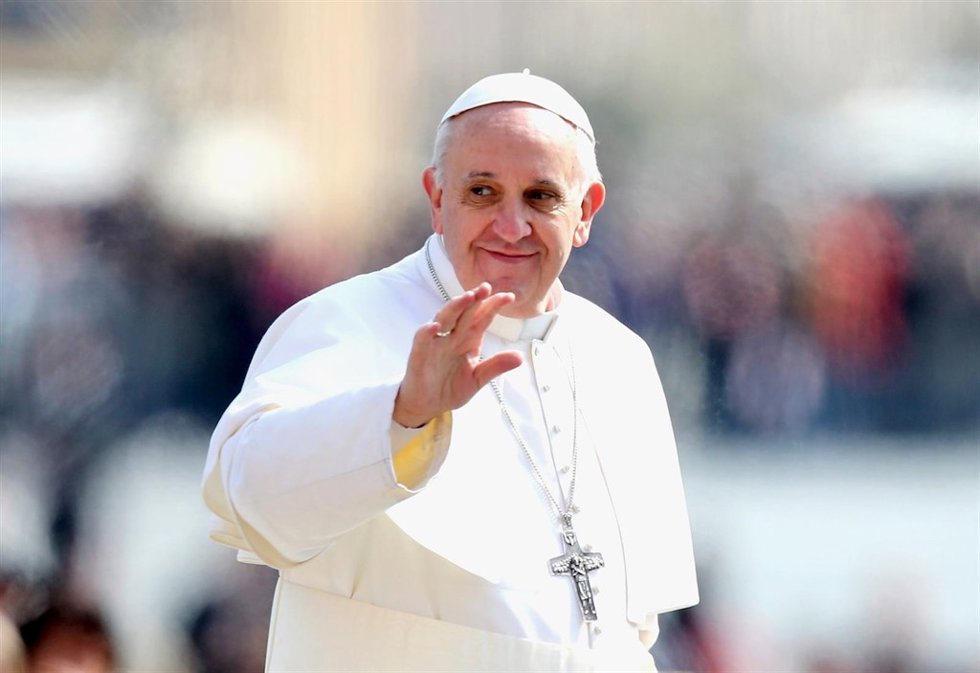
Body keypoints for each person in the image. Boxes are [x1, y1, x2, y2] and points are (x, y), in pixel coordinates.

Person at [203, 71, 698, 672]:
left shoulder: (620, 358)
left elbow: (630, 633)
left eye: (540, 196)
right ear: (436, 198)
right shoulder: (344, 321)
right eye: (482, 193)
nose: (511, 227)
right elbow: (249, 497)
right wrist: (402, 414)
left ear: (586, 210)